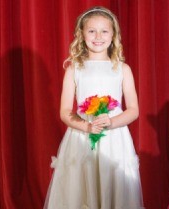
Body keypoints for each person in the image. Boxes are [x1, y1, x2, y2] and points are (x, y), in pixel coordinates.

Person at [44, 6, 144, 209]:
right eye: (91, 31)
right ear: (81, 34)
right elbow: (65, 111)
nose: (98, 36)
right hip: (82, 138)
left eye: (104, 31)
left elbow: (133, 109)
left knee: (112, 186)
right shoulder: (74, 69)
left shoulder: (122, 69)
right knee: (82, 189)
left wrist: (111, 122)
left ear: (113, 34)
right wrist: (87, 127)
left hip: (114, 139)